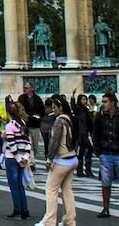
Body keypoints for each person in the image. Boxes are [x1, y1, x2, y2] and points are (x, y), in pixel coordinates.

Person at [91, 91, 119, 220]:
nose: (103, 104)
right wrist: (98, 152)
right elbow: (95, 135)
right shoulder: (100, 117)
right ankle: (105, 208)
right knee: (105, 183)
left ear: (113, 103)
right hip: (105, 153)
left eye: (106, 102)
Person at [38, 94, 79, 226]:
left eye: (55, 107)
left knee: (51, 189)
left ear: (61, 108)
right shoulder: (70, 119)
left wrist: (49, 158)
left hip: (62, 159)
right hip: (72, 157)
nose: (53, 110)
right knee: (67, 190)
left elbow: (54, 142)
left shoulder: (59, 121)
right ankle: (70, 220)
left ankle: (49, 221)